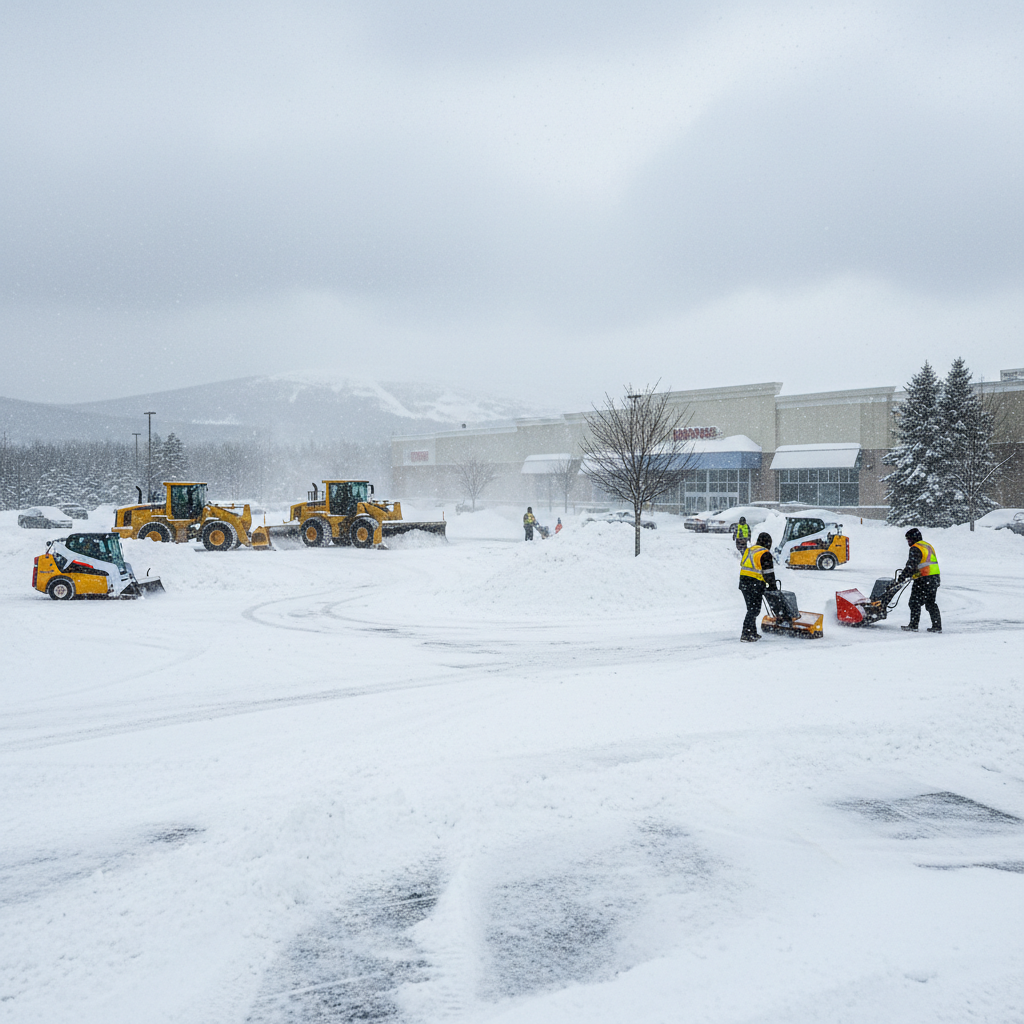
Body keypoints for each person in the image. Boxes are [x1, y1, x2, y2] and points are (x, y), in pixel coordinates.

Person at [898, 528, 941, 632]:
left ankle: (913, 625)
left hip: (924, 579)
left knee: (914, 602)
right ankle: (937, 626)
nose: (908, 542)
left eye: (909, 540)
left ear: (913, 539)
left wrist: (902, 577)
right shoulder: (927, 545)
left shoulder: (915, 548)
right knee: (930, 603)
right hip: (934, 578)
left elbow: (911, 565)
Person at [738, 531, 778, 642]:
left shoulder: (750, 550)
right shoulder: (764, 553)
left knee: (751, 609)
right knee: (754, 610)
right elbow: (769, 573)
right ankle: (746, 634)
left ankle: (752, 633)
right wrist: (772, 588)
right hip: (754, 584)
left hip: (744, 583)